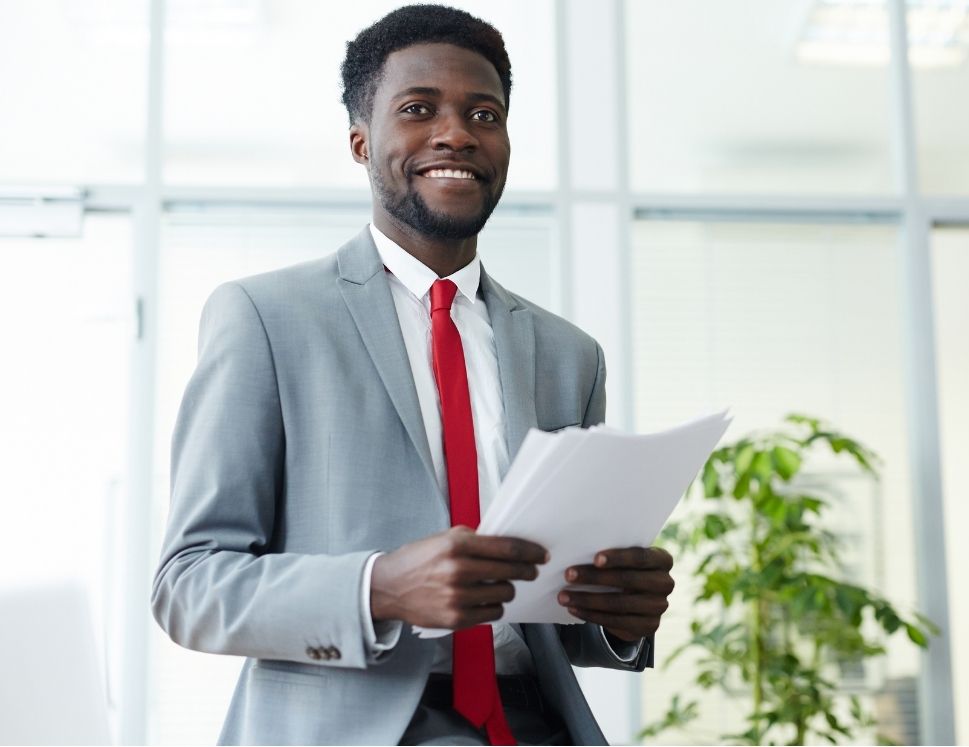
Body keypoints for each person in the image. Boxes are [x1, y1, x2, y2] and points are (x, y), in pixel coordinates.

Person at [151, 5, 675, 745]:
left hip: (531, 721)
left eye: (483, 113)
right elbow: (189, 585)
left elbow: (558, 617)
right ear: (362, 142)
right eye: (418, 109)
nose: (456, 132)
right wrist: (379, 587)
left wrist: (617, 614)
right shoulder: (265, 318)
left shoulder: (569, 354)